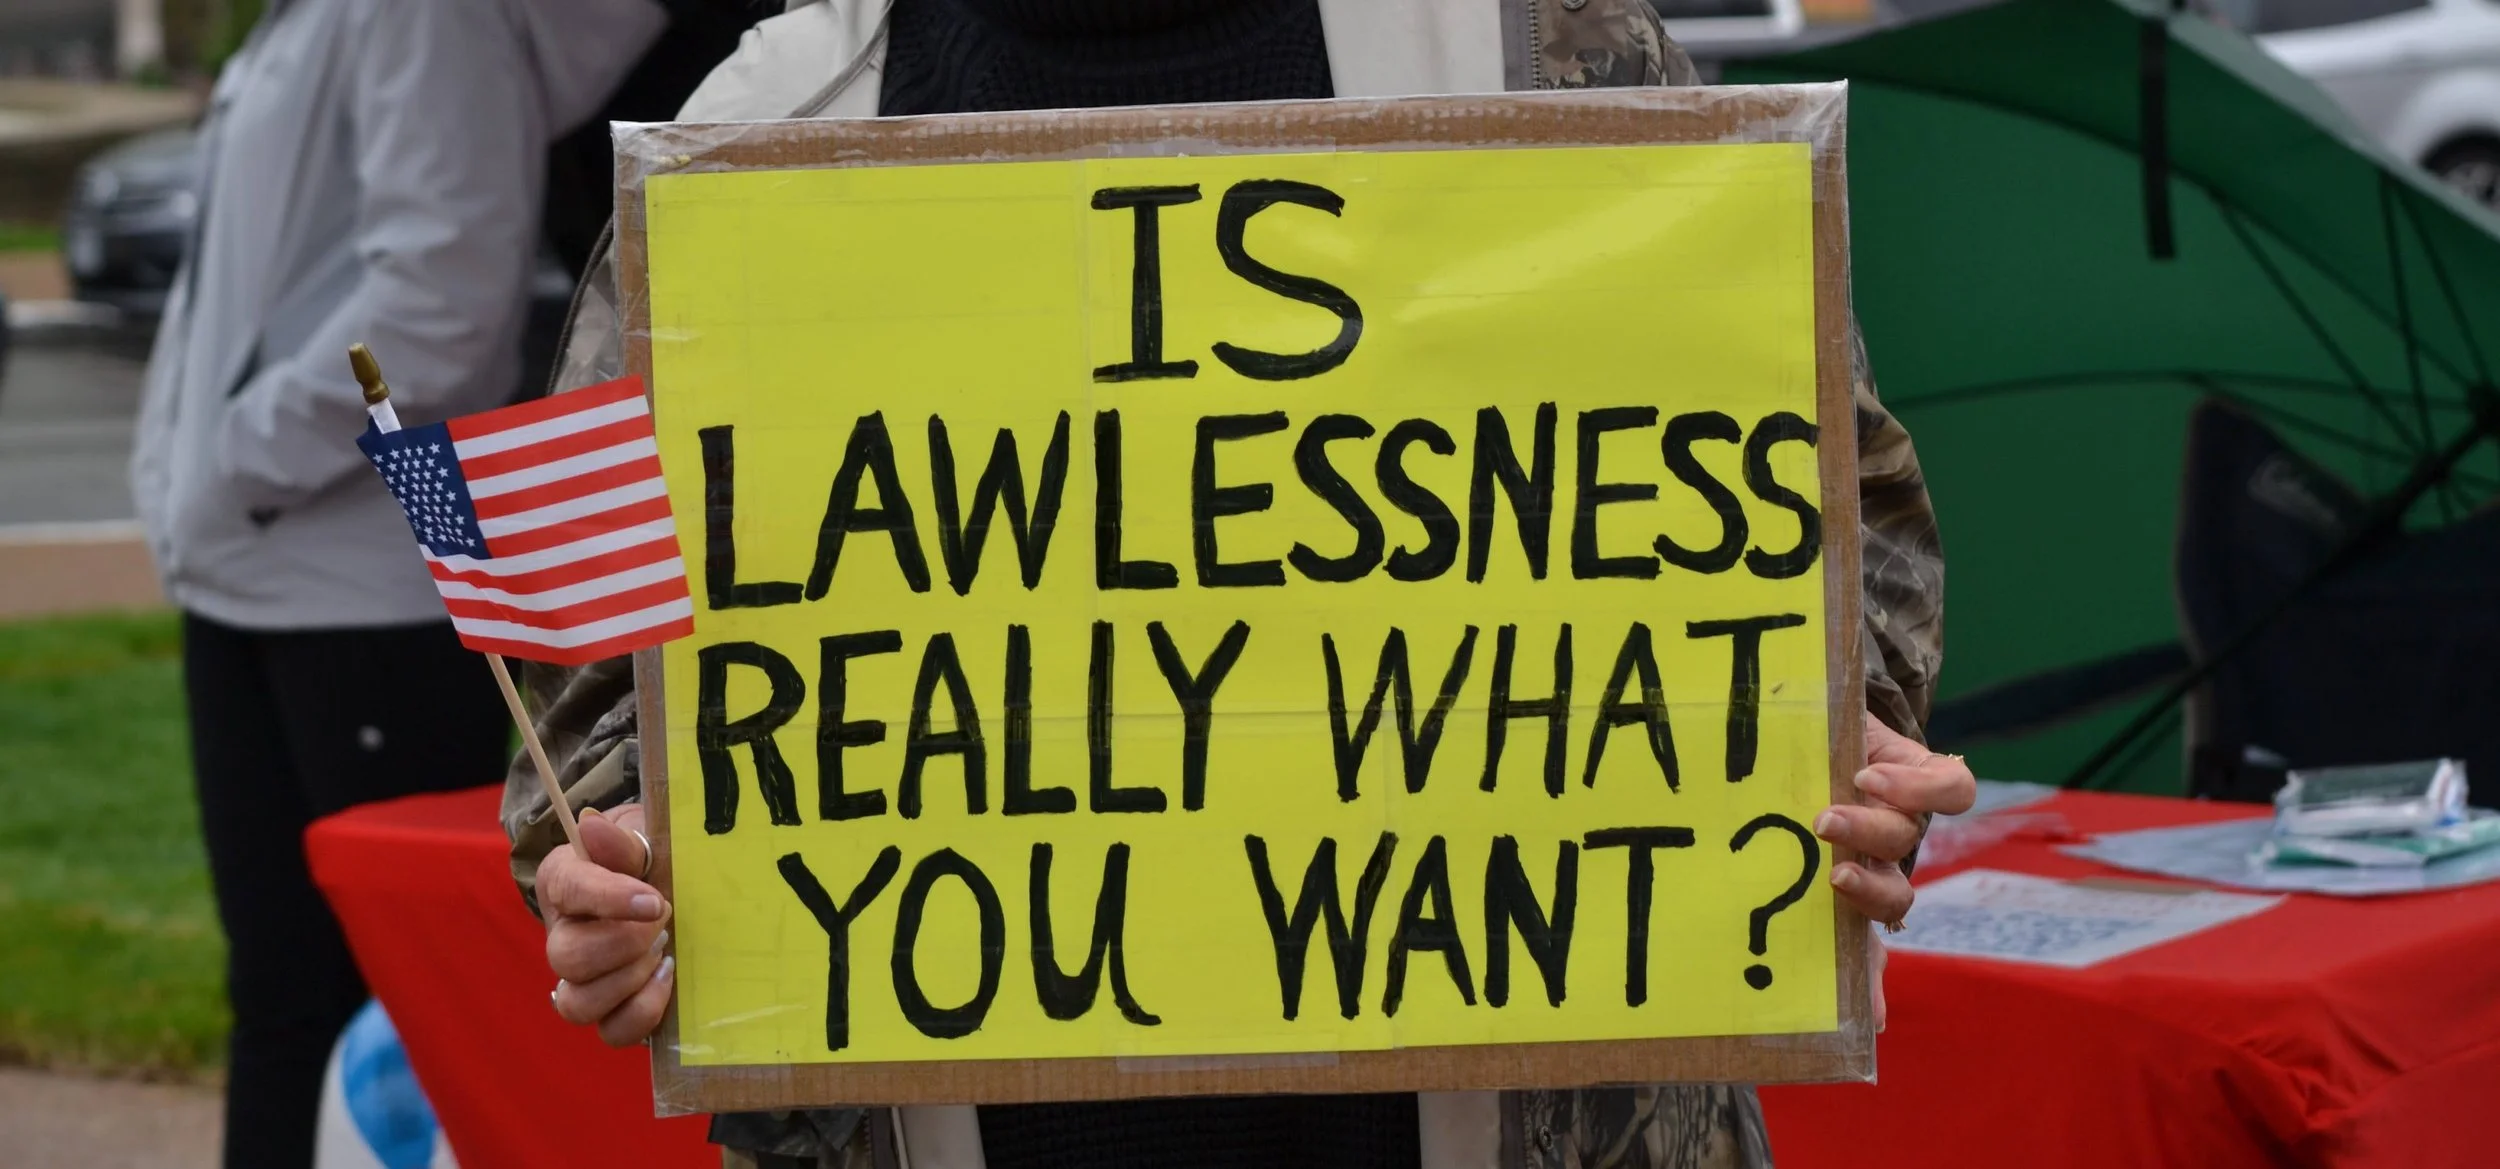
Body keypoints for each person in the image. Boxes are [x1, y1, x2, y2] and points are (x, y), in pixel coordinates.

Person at [506, 1, 1968, 1166]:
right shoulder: (755, 138)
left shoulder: (1549, 53)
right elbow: (590, 681)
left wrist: (1833, 738)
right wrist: (618, 876)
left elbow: (1838, 517)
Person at [127, 0, 665, 1164]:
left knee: (395, 1025)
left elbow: (438, 302)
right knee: (283, 1004)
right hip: (252, 574)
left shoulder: (419, 14)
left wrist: (228, 466)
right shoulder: (296, 22)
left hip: (360, 595)